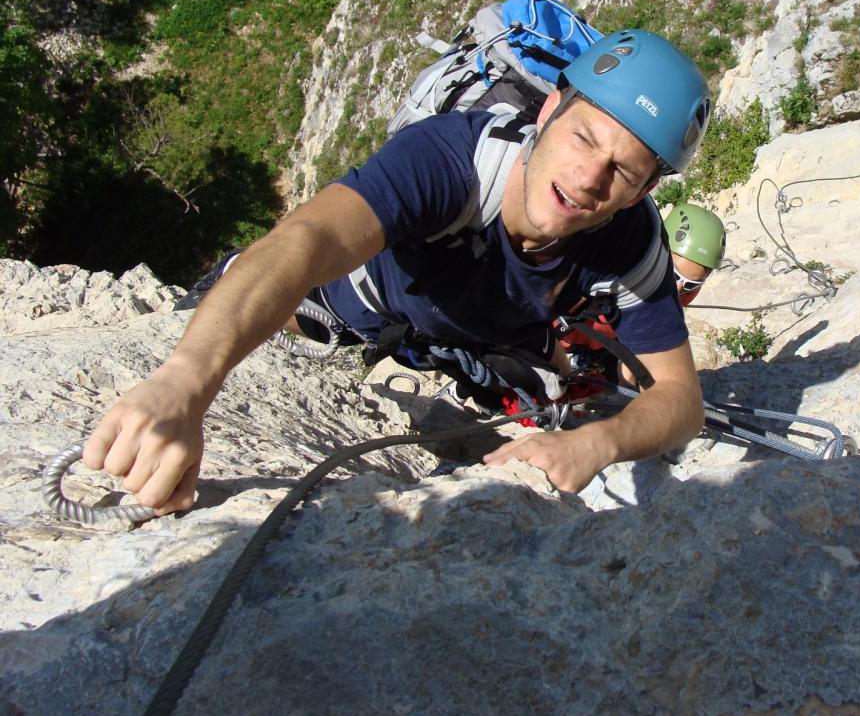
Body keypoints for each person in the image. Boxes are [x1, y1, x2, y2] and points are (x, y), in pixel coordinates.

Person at [83, 29, 712, 512]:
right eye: (583, 138)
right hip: (341, 307)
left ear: (643, 189)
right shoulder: (451, 160)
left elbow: (681, 399)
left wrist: (595, 444)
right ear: (549, 112)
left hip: (458, 341)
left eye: (623, 171)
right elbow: (305, 238)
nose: (587, 179)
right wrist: (185, 382)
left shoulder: (629, 240)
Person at [557, 202, 726, 384]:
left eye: (691, 283)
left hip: (602, 347)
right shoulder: (616, 265)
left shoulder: (683, 290)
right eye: (674, 274)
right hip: (558, 336)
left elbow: (649, 341)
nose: (678, 289)